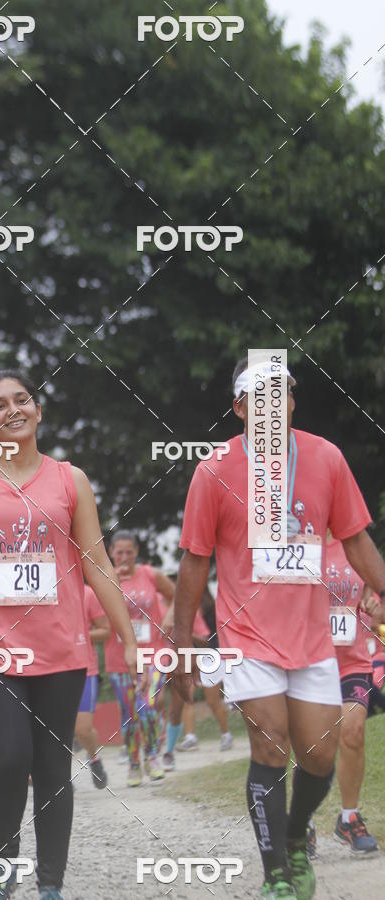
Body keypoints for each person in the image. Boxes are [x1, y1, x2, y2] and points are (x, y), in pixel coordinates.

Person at [0, 369, 138, 900]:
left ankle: (50, 884)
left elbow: (97, 563)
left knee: (51, 765)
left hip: (62, 648)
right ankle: (4, 866)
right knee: (10, 757)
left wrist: (129, 638)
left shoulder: (70, 479)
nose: (13, 410)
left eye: (22, 400)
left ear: (37, 411)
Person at [173, 357, 385, 900]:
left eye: (283, 394)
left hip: (312, 637)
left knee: (319, 756)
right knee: (271, 747)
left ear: (292, 402)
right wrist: (182, 645)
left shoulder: (325, 458)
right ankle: (277, 876)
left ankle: (294, 836)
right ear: (239, 407)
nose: (272, 405)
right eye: (258, 397)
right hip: (246, 633)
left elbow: (356, 538)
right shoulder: (214, 469)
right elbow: (195, 561)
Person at [104, 530, 175, 787]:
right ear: (111, 552)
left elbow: (176, 595)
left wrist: (170, 615)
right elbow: (92, 612)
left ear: (136, 552)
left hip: (153, 652)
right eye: (119, 552)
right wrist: (112, 582)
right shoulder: (103, 577)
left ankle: (153, 756)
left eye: (129, 552)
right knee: (131, 711)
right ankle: (134, 763)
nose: (124, 557)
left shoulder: (150, 574)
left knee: (148, 703)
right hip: (120, 655)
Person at [324, 535, 380, 853]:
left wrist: (373, 607)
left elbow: (374, 609)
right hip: (311, 662)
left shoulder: (357, 544)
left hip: (353, 662)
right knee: (311, 742)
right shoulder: (300, 540)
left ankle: (349, 817)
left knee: (354, 731)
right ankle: (301, 823)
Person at [162, 602, 232, 769]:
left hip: (209, 657)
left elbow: (206, 642)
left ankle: (226, 734)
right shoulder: (173, 612)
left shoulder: (203, 613)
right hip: (188, 658)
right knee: (187, 698)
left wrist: (184, 633)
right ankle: (190, 737)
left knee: (212, 701)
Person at [74, 584, 110, 789]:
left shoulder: (87, 593)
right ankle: (58, 778)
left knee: (83, 729)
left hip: (85, 669)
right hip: (50, 668)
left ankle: (94, 758)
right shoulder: (43, 592)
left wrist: (78, 636)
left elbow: (105, 630)